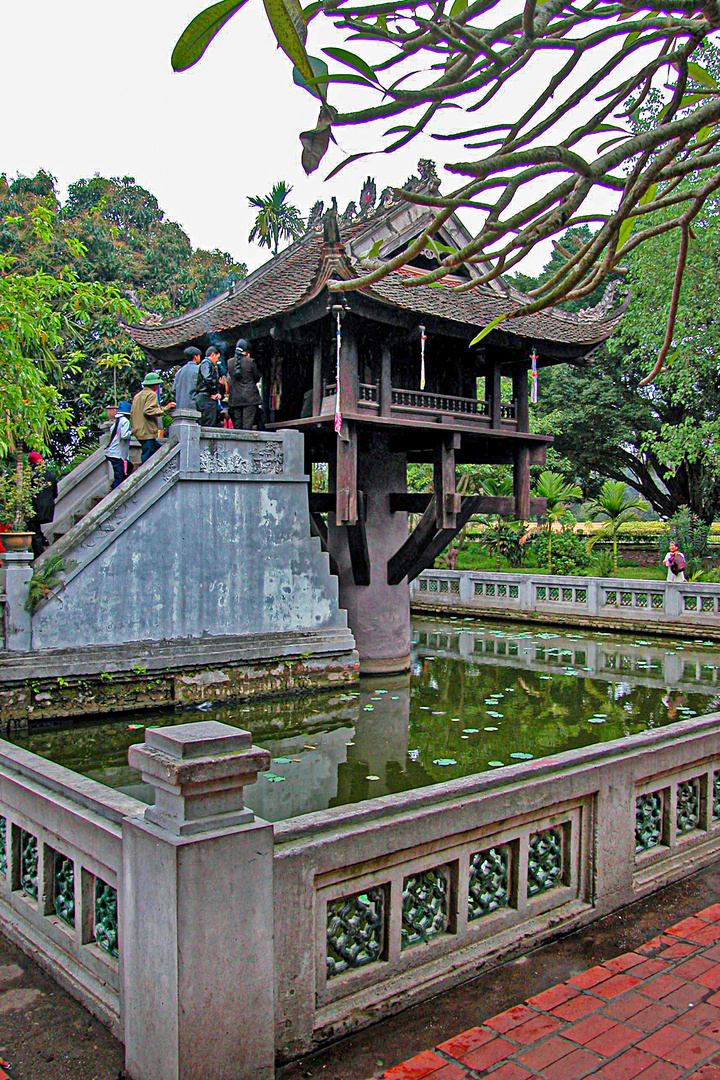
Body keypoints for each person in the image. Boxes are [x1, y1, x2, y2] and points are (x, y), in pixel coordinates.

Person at [131, 374, 176, 463]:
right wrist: (166, 408)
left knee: (159, 451)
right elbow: (148, 411)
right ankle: (143, 475)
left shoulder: (138, 396)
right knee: (147, 457)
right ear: (155, 384)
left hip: (138, 430)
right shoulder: (151, 394)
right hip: (147, 431)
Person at [26, 451, 58, 558]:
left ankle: (39, 554)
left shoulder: (30, 474)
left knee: (34, 530)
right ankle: (44, 542)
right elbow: (55, 492)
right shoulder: (50, 474)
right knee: (36, 529)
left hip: (34, 507)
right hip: (48, 508)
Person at [228, 339, 262, 430]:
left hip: (235, 398)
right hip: (249, 397)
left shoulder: (229, 363)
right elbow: (256, 377)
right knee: (247, 425)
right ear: (246, 351)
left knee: (238, 426)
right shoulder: (250, 362)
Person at [105, 401, 134, 489]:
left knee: (129, 466)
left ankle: (113, 486)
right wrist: (132, 431)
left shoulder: (117, 421)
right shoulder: (125, 421)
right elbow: (124, 435)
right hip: (116, 453)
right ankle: (115, 490)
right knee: (119, 474)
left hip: (112, 452)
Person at [194, 346, 223, 427]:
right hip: (206, 397)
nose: (217, 360)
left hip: (204, 397)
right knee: (209, 423)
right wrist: (214, 391)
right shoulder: (206, 363)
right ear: (213, 354)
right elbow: (207, 377)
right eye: (217, 357)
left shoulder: (206, 364)